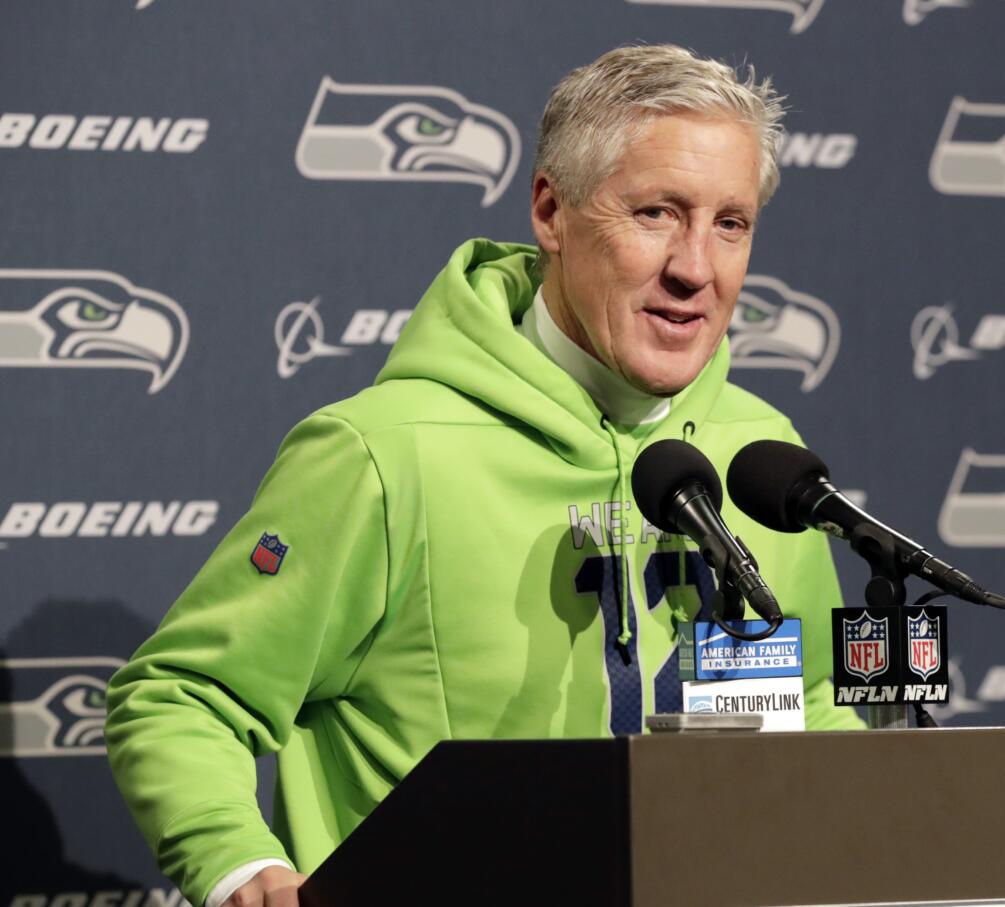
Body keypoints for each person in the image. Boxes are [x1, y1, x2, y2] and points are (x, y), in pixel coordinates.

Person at [105, 44, 863, 907]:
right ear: (551, 210)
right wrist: (242, 865)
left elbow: (810, 706)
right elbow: (180, 696)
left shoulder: (763, 457)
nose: (697, 268)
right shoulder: (384, 454)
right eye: (657, 212)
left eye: (730, 224)